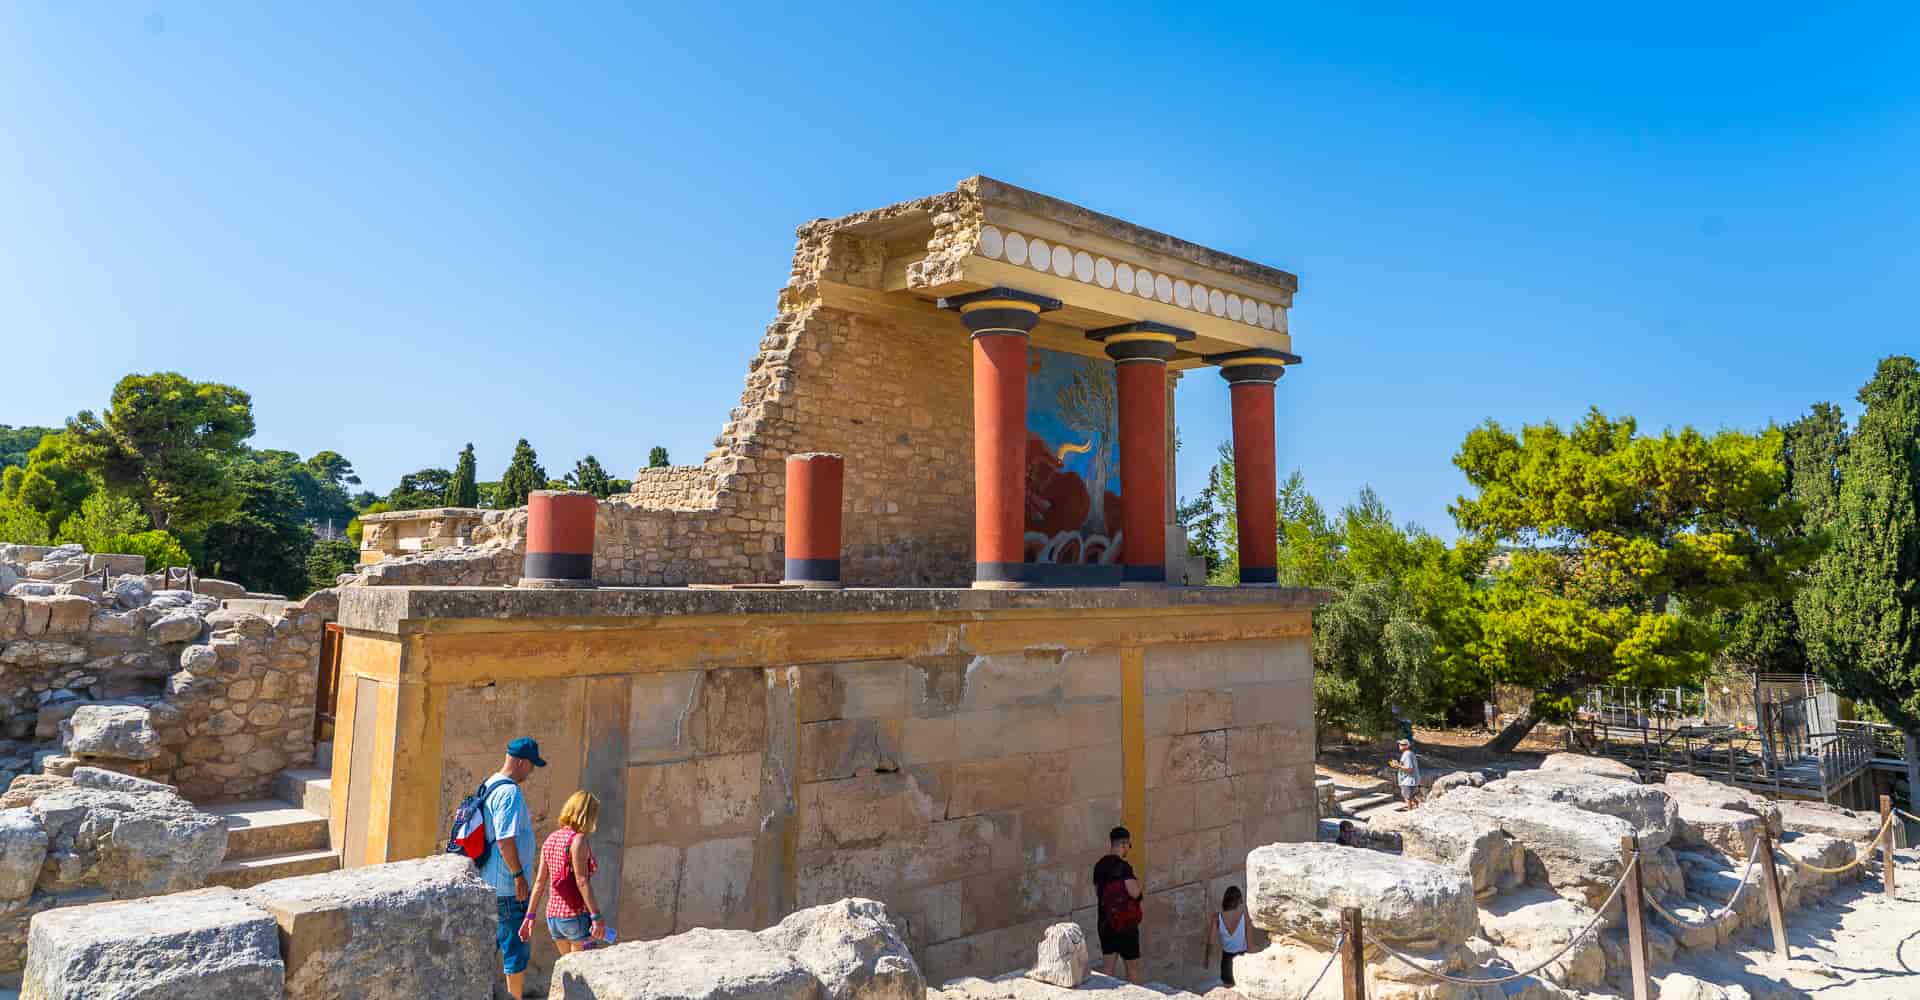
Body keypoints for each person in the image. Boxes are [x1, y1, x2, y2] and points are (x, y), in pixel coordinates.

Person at [481, 737, 546, 1000]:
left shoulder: (489, 784)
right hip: (508, 887)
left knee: (492, 946)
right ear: (520, 762)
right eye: (531, 766)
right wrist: (519, 876)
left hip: (491, 881)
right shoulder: (509, 792)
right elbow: (505, 839)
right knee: (515, 948)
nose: (531, 772)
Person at [520, 790, 607, 956]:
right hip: (575, 916)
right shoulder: (578, 840)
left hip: (553, 918)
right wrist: (596, 916)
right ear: (587, 815)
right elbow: (582, 881)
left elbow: (539, 883)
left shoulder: (551, 839)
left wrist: (530, 916)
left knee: (567, 966)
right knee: (584, 971)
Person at [1092, 826, 1143, 982]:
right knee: (1132, 969)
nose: (1128, 849)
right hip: (1125, 924)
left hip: (1105, 923)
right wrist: (1139, 885)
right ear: (1124, 844)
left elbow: (1097, 893)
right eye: (1128, 845)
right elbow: (1134, 892)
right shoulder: (1123, 867)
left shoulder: (1099, 866)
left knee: (1108, 969)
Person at [1207, 885, 1248, 987]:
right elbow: (1251, 946)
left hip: (1227, 960)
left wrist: (1206, 959)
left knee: (1229, 990)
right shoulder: (1245, 917)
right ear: (1239, 900)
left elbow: (1210, 942)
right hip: (1243, 958)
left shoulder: (1216, 918)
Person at [1389, 737, 1420, 810]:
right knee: (1410, 796)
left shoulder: (1407, 754)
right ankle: (1417, 807)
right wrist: (1398, 764)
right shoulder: (1408, 754)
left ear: (1407, 746)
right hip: (1410, 780)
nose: (1400, 745)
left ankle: (1410, 813)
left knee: (1407, 798)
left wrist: (1397, 765)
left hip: (1408, 780)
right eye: (1400, 744)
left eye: (1402, 744)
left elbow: (1409, 769)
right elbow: (1406, 766)